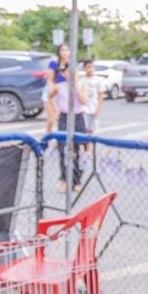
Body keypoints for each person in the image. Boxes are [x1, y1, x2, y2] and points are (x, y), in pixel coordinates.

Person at [49, 56, 90, 193]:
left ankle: (77, 180)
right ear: (63, 73)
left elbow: (84, 101)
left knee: (78, 149)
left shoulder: (82, 84)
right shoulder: (59, 86)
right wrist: (55, 110)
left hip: (78, 117)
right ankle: (65, 180)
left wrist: (76, 84)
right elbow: (49, 97)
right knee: (63, 149)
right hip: (64, 117)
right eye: (68, 72)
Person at [80, 59, 105, 135]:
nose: (91, 69)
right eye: (88, 67)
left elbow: (101, 96)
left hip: (93, 108)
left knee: (92, 132)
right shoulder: (81, 80)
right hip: (83, 110)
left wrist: (98, 110)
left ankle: (91, 146)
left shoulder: (98, 80)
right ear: (84, 68)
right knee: (84, 131)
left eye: (92, 67)